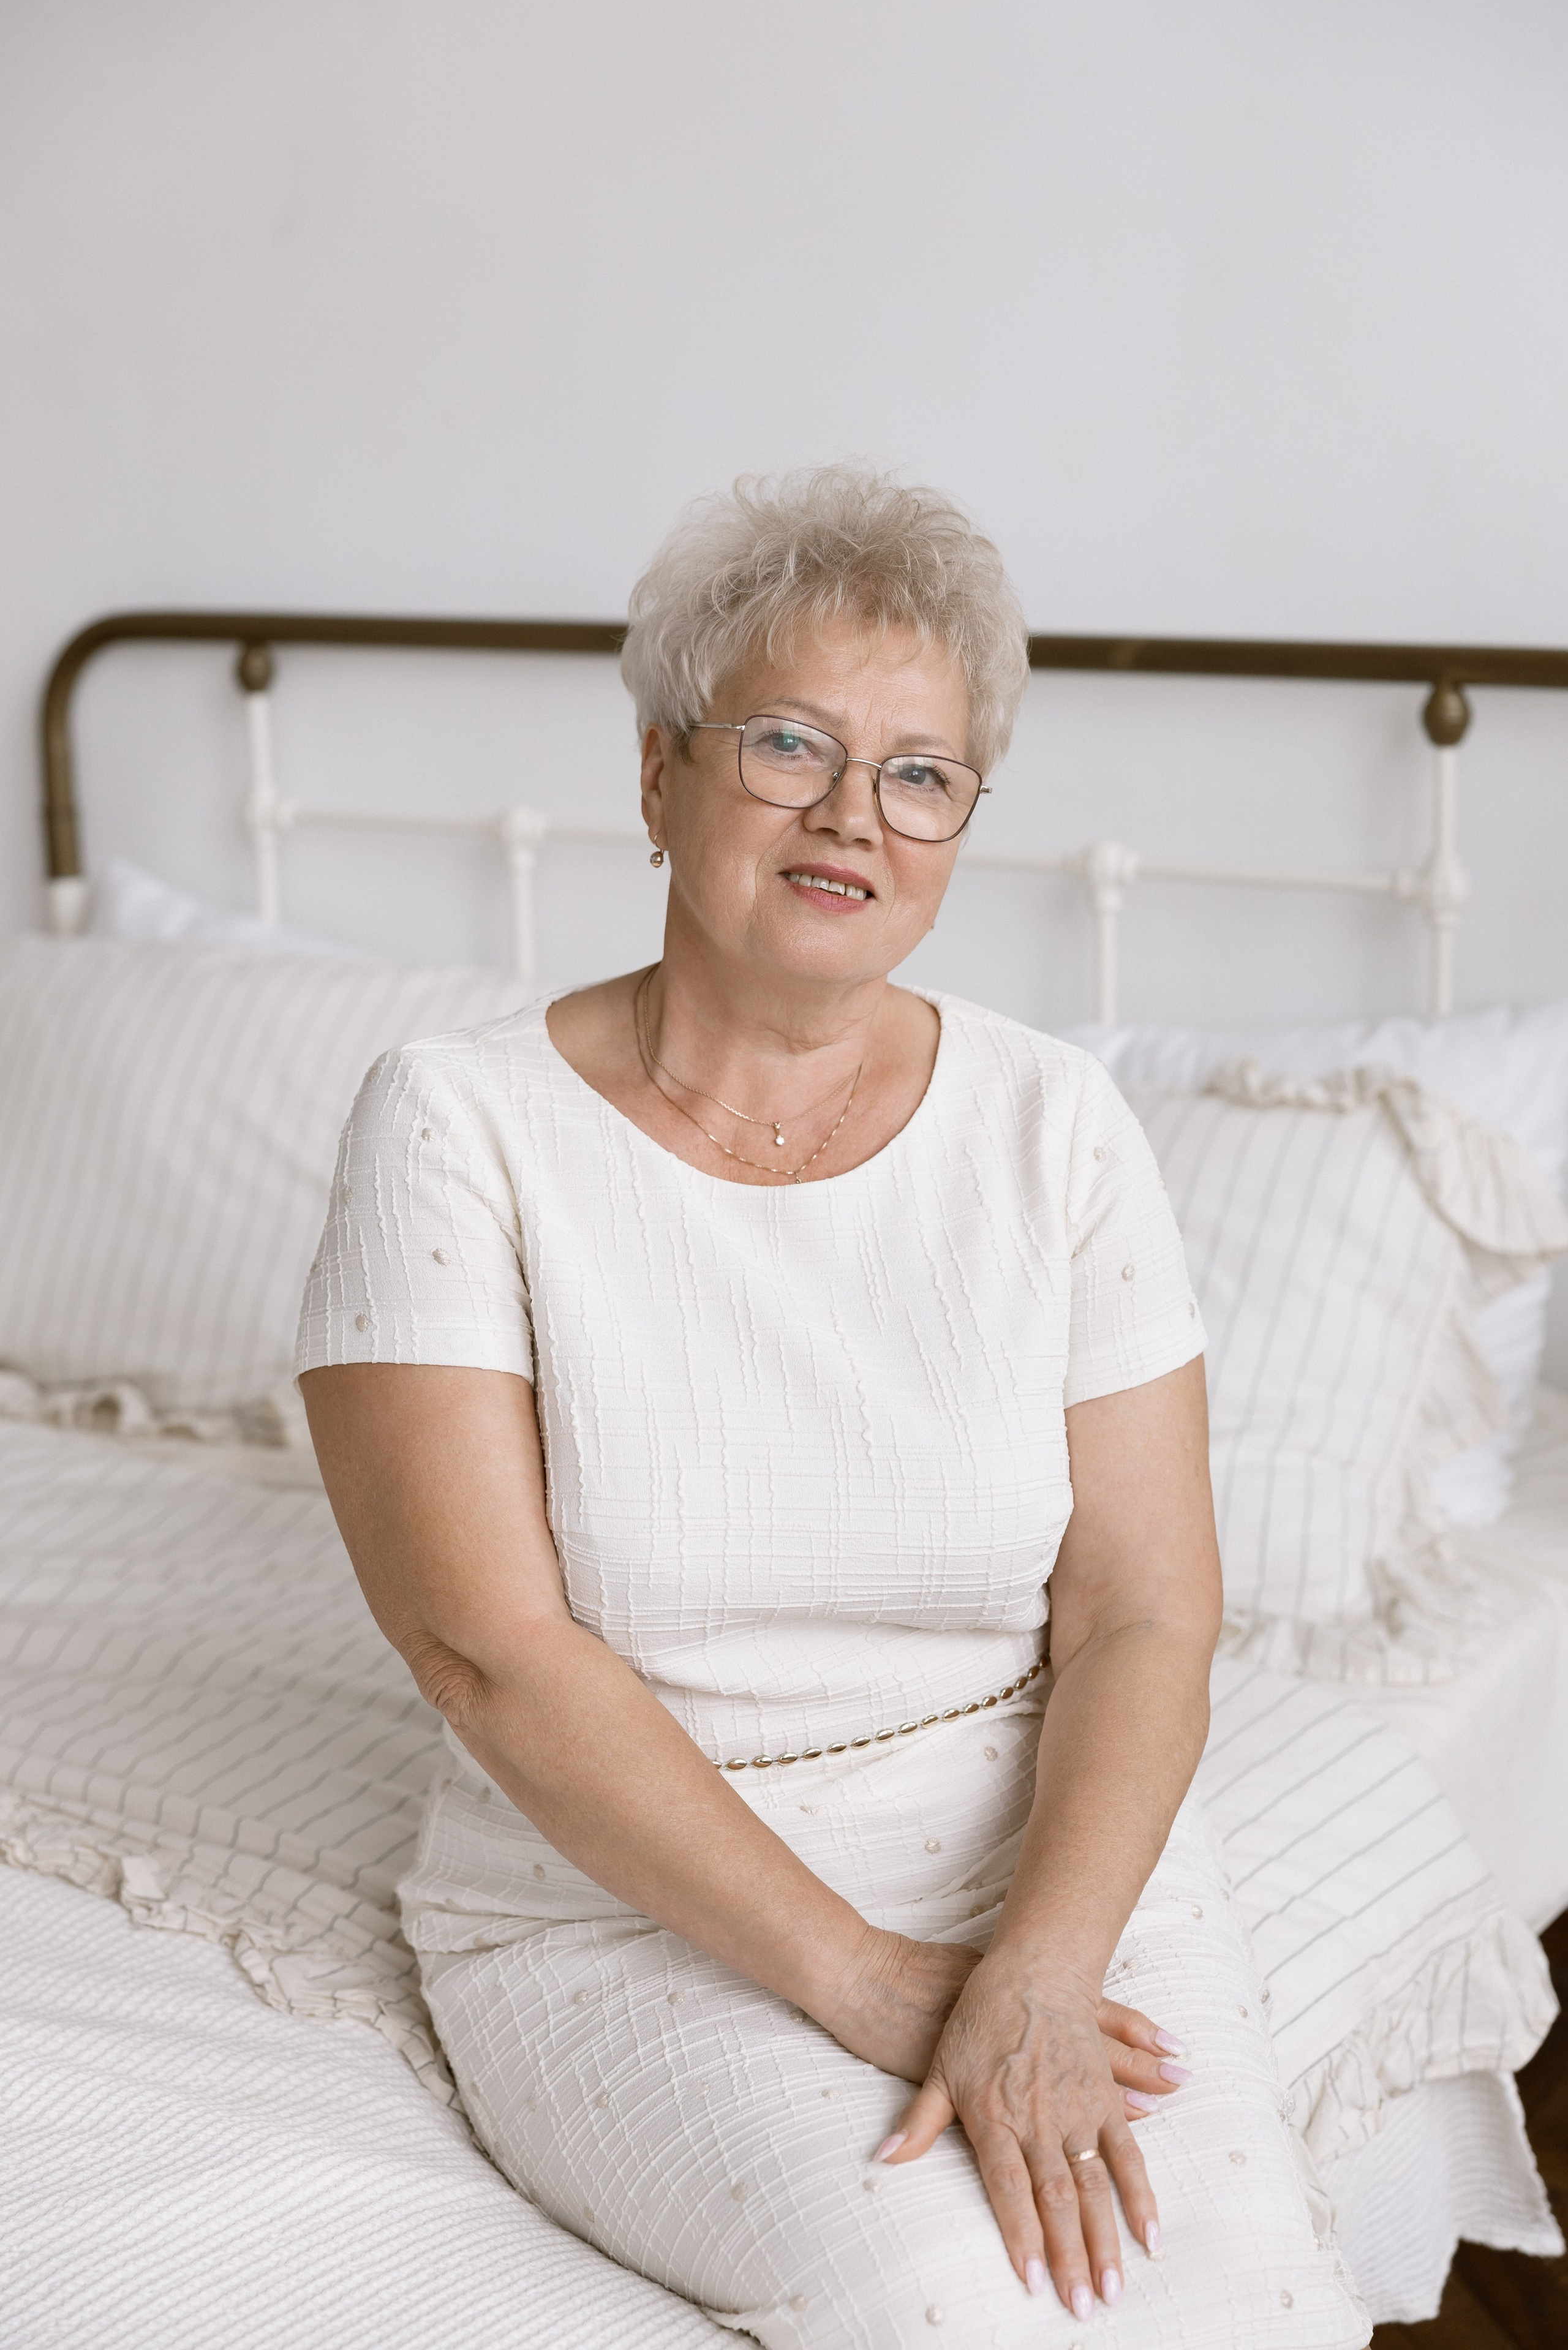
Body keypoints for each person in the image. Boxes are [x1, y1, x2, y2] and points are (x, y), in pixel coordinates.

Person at [297, 467, 1366, 2348]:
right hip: (624, 1890)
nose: (852, 816)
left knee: (1247, 2299)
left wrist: (1037, 1964)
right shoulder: (456, 1124)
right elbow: (488, 1652)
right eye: (787, 746)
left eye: (922, 772)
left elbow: (1141, 1608)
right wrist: (879, 1988)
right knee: (949, 2308)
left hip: (1029, 1841)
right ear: (658, 779)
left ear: (960, 822)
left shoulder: (1057, 1125)